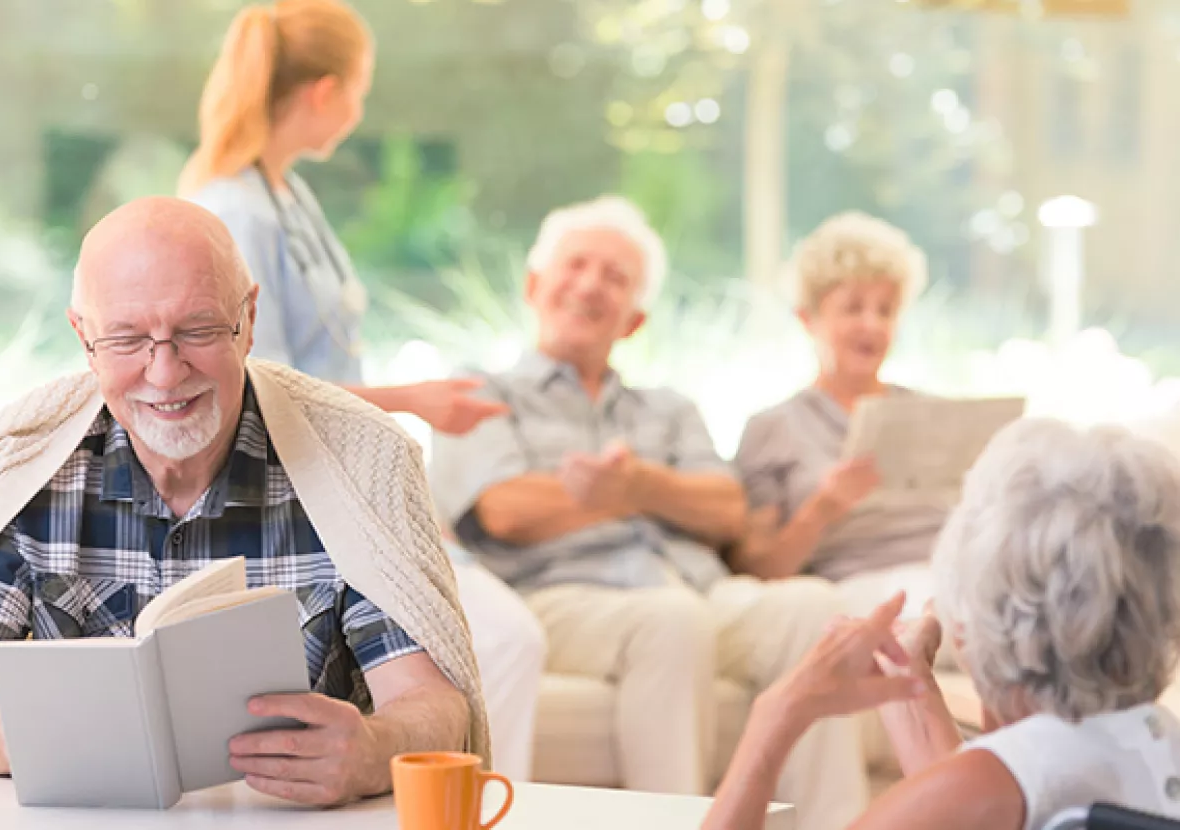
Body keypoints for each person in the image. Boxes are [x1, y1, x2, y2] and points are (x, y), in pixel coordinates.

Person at [0, 198, 487, 806]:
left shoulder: (358, 463)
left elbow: (433, 703)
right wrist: (70, 732)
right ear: (82, 336)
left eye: (197, 330)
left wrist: (372, 751)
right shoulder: (22, 467)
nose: (165, 374)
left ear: (247, 320)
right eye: (126, 338)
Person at [178, 0, 543, 779]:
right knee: (507, 639)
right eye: (360, 88)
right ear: (322, 91)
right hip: (297, 494)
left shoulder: (286, 195)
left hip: (346, 473)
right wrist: (416, 402)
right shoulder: (236, 210)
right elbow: (262, 390)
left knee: (506, 635)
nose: (359, 109)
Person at [429, 195, 868, 830]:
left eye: (615, 278)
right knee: (670, 621)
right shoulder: (480, 391)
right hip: (563, 594)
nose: (590, 285)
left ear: (634, 319)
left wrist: (633, 486)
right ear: (534, 285)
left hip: (695, 588)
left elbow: (727, 510)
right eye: (576, 265)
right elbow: (504, 509)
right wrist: (649, 493)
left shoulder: (667, 408)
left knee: (818, 609)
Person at [705, 418, 1180, 830]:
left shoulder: (989, 787)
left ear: (978, 623)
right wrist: (908, 686)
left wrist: (775, 718)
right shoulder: (1155, 743)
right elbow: (989, 789)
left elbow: (974, 792)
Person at [731, 211, 946, 617]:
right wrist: (822, 508)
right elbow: (756, 571)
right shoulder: (773, 428)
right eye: (852, 308)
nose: (871, 325)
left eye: (886, 310)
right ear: (807, 319)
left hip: (951, 574)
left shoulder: (930, 414)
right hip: (863, 589)